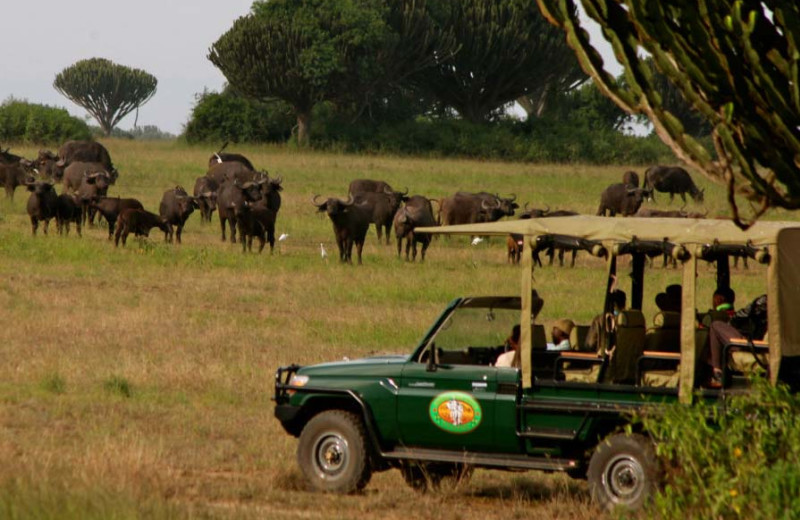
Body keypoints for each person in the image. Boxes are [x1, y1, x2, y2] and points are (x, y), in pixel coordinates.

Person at [703, 287, 742, 388]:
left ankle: (717, 373)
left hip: (738, 343)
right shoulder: (736, 314)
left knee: (714, 327)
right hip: (735, 342)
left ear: (718, 299)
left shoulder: (714, 317)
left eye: (713, 299)